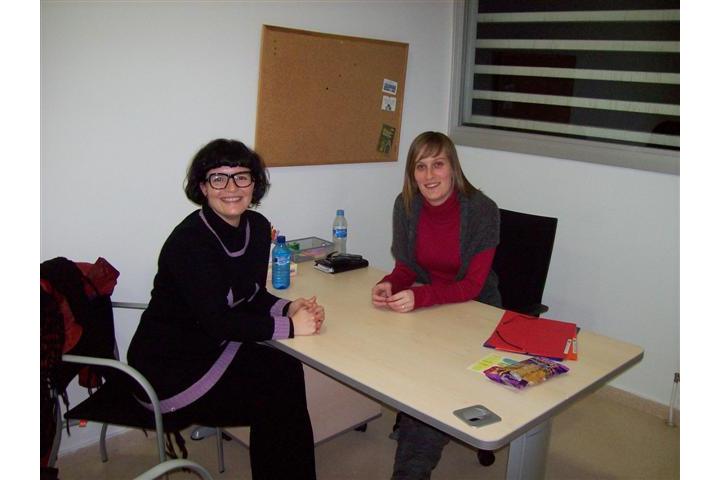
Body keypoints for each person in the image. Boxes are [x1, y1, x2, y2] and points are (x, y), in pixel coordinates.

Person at [128, 139, 323, 480]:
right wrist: (292, 327)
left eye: (241, 177)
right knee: (276, 396)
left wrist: (289, 307)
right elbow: (217, 321)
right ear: (203, 187)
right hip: (170, 370)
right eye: (218, 178)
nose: (231, 188)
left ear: (254, 184)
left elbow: (251, 295)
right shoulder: (189, 242)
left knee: (285, 370)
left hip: (214, 347)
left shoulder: (257, 228)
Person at [371, 131, 501, 480]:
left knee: (430, 384)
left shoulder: (482, 210)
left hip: (478, 313)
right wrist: (390, 283)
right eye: (421, 166)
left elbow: (472, 286)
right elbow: (407, 267)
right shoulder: (406, 205)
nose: (429, 175)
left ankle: (411, 469)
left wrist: (420, 296)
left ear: (453, 167)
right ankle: (418, 421)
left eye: (438, 164)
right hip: (433, 310)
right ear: (412, 174)